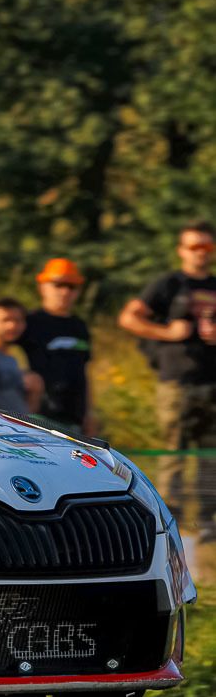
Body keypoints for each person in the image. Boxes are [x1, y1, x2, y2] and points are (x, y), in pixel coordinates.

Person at [118, 219, 216, 542]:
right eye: (194, 246)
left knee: (210, 453)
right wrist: (167, 332)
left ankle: (208, 522)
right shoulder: (169, 283)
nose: (200, 252)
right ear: (181, 250)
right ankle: (170, 523)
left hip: (212, 379)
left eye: (206, 246)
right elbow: (128, 317)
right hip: (177, 380)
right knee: (174, 453)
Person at [20, 258, 95, 435]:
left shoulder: (79, 326)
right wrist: (20, 376)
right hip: (38, 417)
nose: (65, 291)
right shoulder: (29, 322)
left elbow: (84, 372)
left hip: (74, 418)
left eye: (71, 286)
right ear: (42, 287)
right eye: (58, 285)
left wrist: (89, 413)